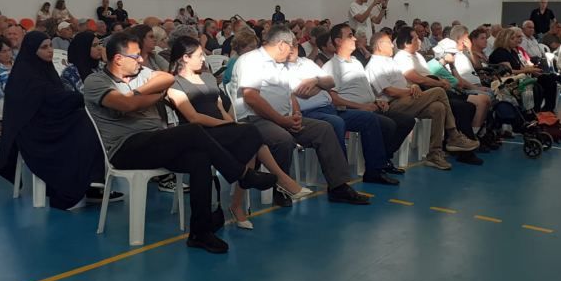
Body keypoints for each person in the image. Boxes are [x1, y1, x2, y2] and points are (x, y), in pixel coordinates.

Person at [84, 32, 276, 254]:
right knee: (193, 130)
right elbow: (126, 105)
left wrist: (137, 93)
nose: (141, 60)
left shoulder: (141, 74)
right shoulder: (96, 81)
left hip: (157, 142)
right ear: (118, 59)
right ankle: (241, 174)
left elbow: (167, 79)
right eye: (136, 56)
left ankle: (200, 233)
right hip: (125, 148)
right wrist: (149, 96)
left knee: (200, 158)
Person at [166, 36, 311, 227]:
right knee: (249, 136)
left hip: (221, 130)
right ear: (185, 58)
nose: (203, 59)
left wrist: (232, 125)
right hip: (197, 135)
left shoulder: (208, 78)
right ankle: (278, 183)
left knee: (248, 141)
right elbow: (193, 117)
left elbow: (219, 108)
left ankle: (242, 202)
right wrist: (227, 126)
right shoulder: (174, 84)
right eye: (200, 55)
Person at [232, 25, 370, 205]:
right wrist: (282, 120)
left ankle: (339, 187)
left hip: (283, 117)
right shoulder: (251, 60)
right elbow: (251, 97)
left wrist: (295, 114)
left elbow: (289, 94)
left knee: (324, 129)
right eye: (291, 47)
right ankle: (280, 188)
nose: (291, 52)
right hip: (254, 119)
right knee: (282, 138)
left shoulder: (279, 64)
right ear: (281, 45)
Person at [0, 32, 111, 209]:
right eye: (44, 47)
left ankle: (91, 181)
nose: (50, 50)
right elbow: (48, 99)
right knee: (83, 123)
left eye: (50, 45)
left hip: (50, 120)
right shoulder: (24, 74)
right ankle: (76, 185)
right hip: (33, 129)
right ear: (32, 50)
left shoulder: (45, 69)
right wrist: (84, 98)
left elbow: (55, 99)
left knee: (86, 120)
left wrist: (79, 99)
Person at [285, 30, 399, 186]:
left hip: (331, 109)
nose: (292, 49)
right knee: (336, 123)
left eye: (294, 44)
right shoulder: (281, 68)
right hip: (309, 113)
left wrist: (315, 81)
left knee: (369, 119)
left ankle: (375, 171)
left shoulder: (306, 62)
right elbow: (303, 92)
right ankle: (340, 181)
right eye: (288, 45)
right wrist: (319, 84)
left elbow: (329, 82)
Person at [366, 32, 480, 170]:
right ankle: (453, 134)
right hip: (392, 104)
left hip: (407, 99)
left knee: (438, 107)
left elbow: (403, 83)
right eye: (389, 42)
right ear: (379, 45)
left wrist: (412, 87)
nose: (392, 45)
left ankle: (434, 154)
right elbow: (389, 91)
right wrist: (410, 91)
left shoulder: (390, 61)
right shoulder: (375, 64)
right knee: (439, 91)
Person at [323, 24, 414, 176]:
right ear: (338, 41)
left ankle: (384, 159)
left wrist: (377, 100)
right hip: (348, 111)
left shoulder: (356, 62)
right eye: (350, 36)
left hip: (369, 106)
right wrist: (361, 107)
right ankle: (376, 168)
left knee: (406, 121)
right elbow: (333, 99)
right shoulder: (332, 66)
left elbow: (365, 89)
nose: (354, 39)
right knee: (388, 125)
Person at [488, 28, 558, 113]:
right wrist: (529, 70)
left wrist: (532, 69)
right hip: (509, 80)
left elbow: (520, 68)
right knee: (537, 87)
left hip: (520, 77)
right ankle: (535, 112)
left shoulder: (512, 52)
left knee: (549, 79)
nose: (516, 40)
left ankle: (547, 109)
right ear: (505, 40)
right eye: (513, 38)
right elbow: (509, 71)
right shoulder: (500, 53)